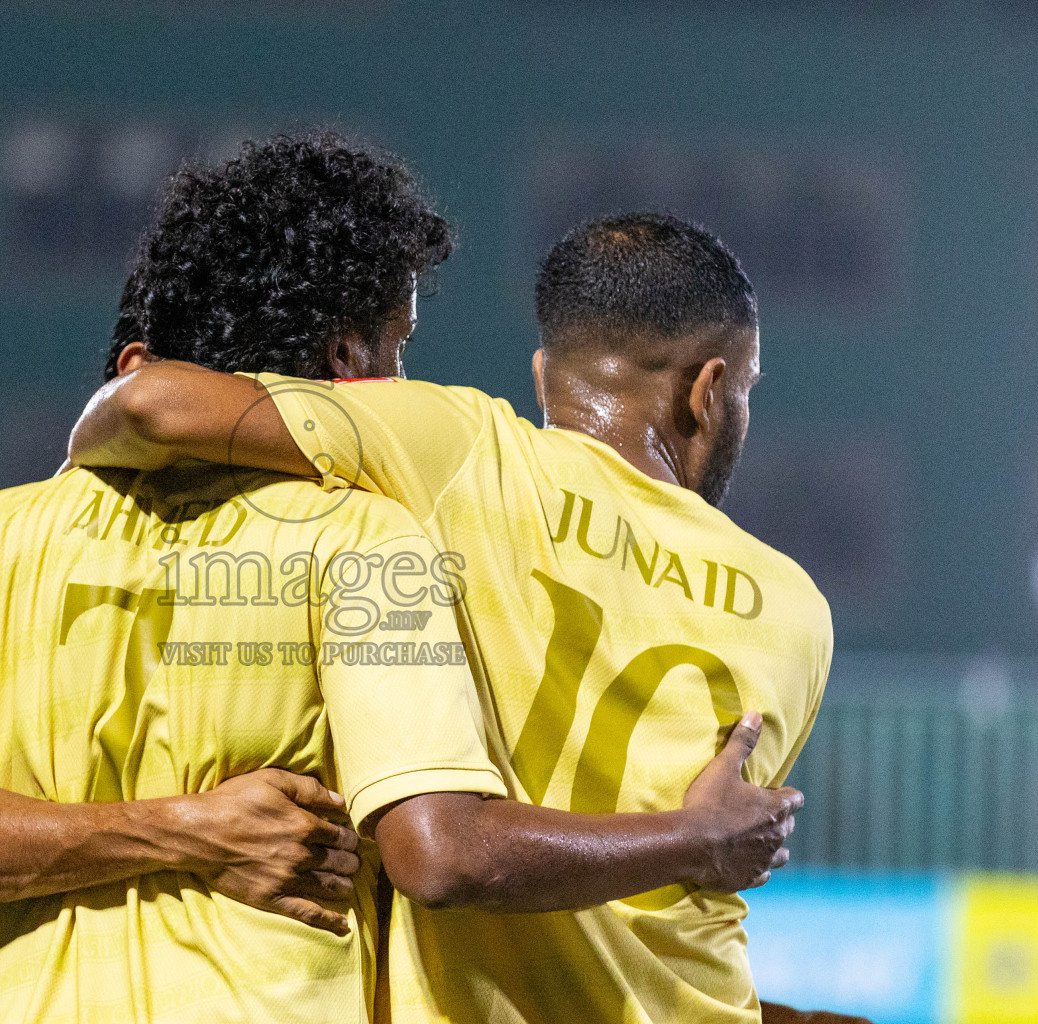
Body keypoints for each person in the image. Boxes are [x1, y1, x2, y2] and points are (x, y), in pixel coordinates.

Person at [0, 141, 800, 1024]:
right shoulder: (376, 548)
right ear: (344, 361)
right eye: (396, 350)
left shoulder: (11, 536)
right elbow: (442, 847)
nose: (402, 385)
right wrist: (196, 830)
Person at [69, 211, 835, 1024]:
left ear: (546, 378)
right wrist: (694, 841)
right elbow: (694, 887)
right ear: (709, 389)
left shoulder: (457, 448)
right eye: (747, 387)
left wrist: (57, 505)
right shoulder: (793, 605)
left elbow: (146, 402)